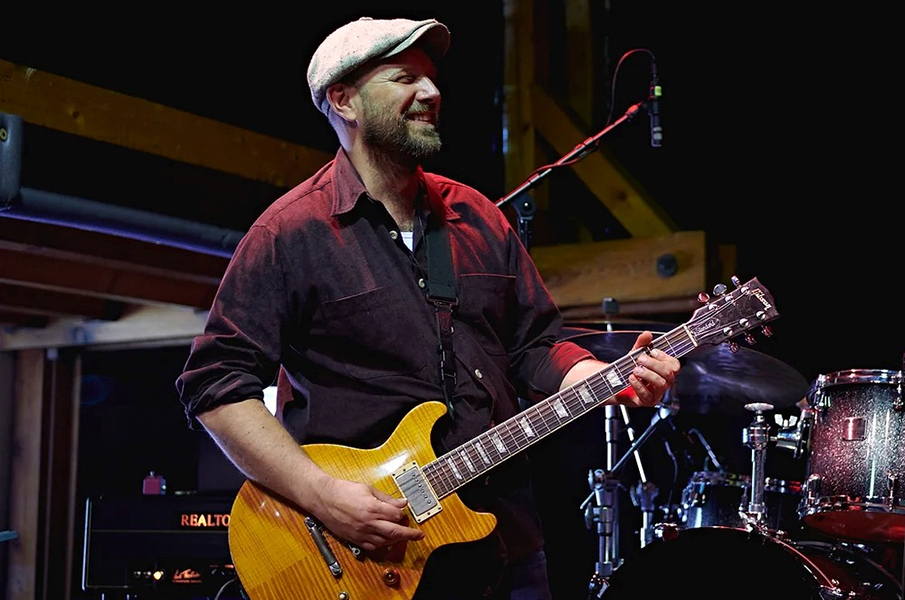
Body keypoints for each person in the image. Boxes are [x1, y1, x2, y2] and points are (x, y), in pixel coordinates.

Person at [176, 15, 681, 600]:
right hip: (370, 555)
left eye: (432, 77)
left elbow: (535, 346)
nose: (432, 92)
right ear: (344, 101)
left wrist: (606, 378)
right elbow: (216, 385)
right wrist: (323, 496)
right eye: (404, 78)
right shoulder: (289, 234)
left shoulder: (477, 217)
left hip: (505, 544)